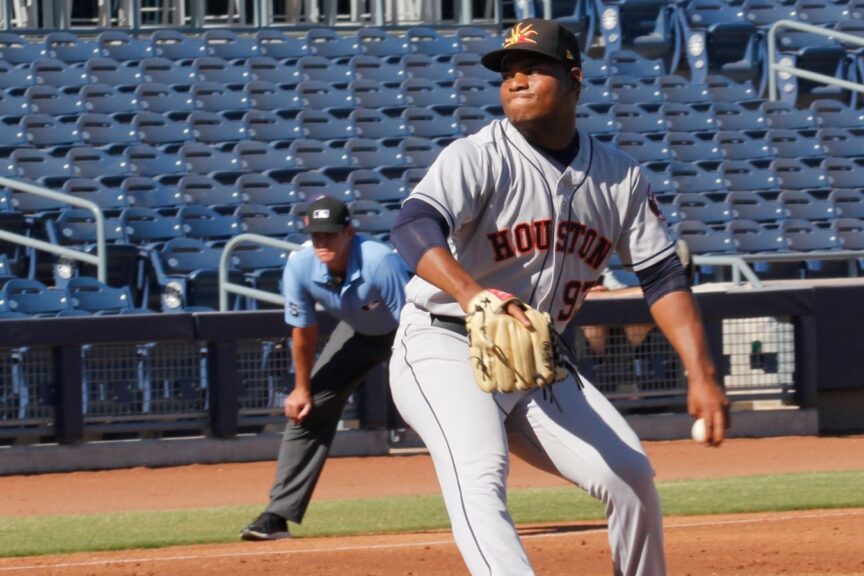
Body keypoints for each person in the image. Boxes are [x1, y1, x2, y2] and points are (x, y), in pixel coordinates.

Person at [388, 18, 730, 575]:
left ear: (574, 79)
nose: (515, 81)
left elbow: (663, 276)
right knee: (479, 473)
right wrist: (474, 296)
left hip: (537, 357)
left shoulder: (619, 178)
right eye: (507, 72)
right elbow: (412, 226)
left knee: (630, 477)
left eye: (533, 69)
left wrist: (702, 373)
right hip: (443, 342)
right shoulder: (477, 155)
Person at [240, 196, 410, 541]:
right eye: (316, 235)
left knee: (445, 411)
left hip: (407, 333)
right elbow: (303, 333)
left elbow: (415, 321)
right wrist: (301, 388)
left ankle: (479, 504)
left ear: (349, 232)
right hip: (358, 333)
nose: (322, 242)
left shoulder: (381, 262)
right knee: (308, 407)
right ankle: (276, 516)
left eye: (330, 234)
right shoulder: (301, 266)